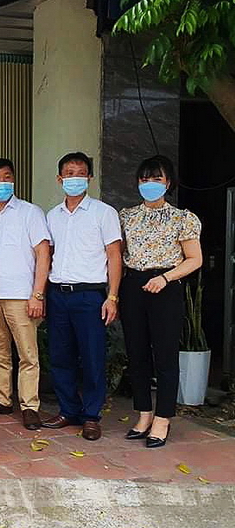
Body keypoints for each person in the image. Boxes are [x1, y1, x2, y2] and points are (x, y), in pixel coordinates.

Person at [119, 155, 202, 448]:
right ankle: (144, 413)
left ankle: (163, 417)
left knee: (165, 355)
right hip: (133, 285)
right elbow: (117, 254)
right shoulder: (127, 216)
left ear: (168, 182)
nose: (150, 184)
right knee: (136, 352)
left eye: (157, 179)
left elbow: (194, 259)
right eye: (145, 179)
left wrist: (166, 278)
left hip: (166, 287)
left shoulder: (183, 218)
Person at [43, 152, 122, 441]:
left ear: (89, 177)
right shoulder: (52, 216)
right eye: (69, 173)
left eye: (80, 173)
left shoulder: (104, 213)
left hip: (90, 296)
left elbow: (114, 256)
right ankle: (68, 410)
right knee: (60, 355)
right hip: (58, 294)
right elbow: (47, 255)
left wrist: (112, 297)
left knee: (92, 357)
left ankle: (91, 416)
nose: (74, 178)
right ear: (59, 179)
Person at [0, 158, 52, 431]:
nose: (2, 182)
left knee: (27, 353)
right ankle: (2, 399)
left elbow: (43, 253)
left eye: (7, 177)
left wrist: (38, 294)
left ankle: (30, 406)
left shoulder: (30, 212)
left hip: (22, 294)